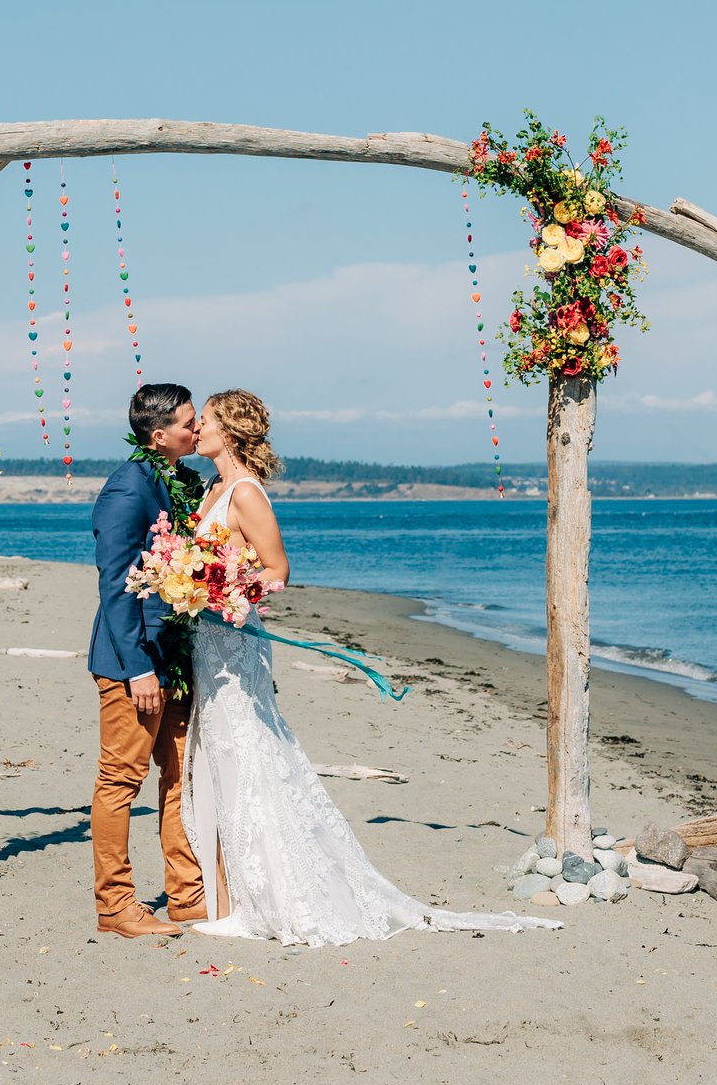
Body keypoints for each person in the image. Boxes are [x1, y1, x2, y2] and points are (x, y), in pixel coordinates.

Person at [180, 388, 560, 944]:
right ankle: (242, 893)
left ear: (230, 433)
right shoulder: (212, 486)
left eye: (207, 421)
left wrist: (224, 592)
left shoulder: (244, 492)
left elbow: (277, 569)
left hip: (234, 644)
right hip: (207, 642)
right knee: (223, 758)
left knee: (250, 754)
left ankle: (275, 902)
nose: (198, 429)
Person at [86, 382, 209, 938]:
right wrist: (137, 668)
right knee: (120, 781)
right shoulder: (126, 491)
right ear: (159, 435)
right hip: (131, 662)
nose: (197, 428)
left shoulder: (178, 480)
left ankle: (186, 895)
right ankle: (114, 905)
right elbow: (115, 586)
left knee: (179, 775)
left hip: (176, 651)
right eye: (188, 422)